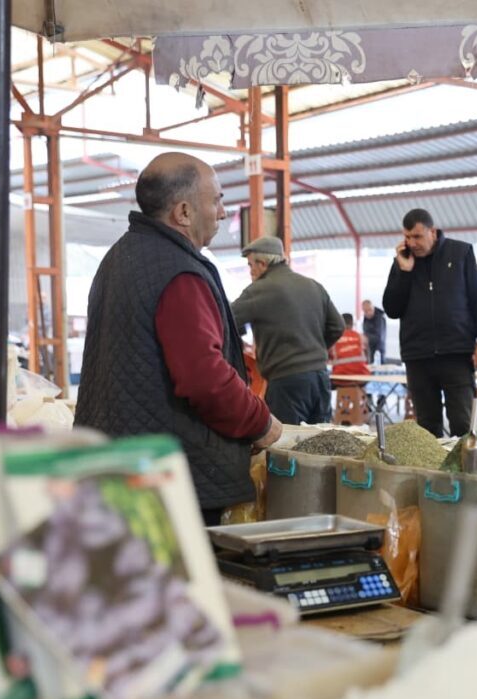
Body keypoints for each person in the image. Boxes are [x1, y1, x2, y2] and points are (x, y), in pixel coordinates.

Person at [74, 152, 281, 525]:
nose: (222, 212)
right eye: (216, 200)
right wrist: (261, 423)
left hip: (120, 467)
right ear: (184, 212)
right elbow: (205, 380)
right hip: (175, 479)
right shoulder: (180, 274)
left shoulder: (118, 257)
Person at [382, 209, 477, 437]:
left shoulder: (460, 253)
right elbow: (392, 310)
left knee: (463, 423)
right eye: (407, 237)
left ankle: (465, 461)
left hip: (456, 353)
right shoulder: (403, 262)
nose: (412, 243)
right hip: (418, 356)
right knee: (427, 427)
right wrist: (404, 273)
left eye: (417, 236)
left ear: (432, 232)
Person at [231, 235, 344, 425]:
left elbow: (225, 319)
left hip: (286, 382)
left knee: (287, 440)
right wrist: (312, 349)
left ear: (262, 264)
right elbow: (337, 326)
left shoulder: (259, 290)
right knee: (321, 439)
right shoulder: (313, 286)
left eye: (250, 265)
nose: (250, 271)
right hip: (320, 378)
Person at [330, 313, 370, 381]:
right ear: (352, 324)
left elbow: (327, 359)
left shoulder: (334, 339)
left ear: (340, 323)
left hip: (339, 378)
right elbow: (368, 359)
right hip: (361, 377)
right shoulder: (362, 338)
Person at [361, 299, 386, 364]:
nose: (368, 313)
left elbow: (379, 337)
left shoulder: (379, 318)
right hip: (369, 350)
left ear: (373, 308)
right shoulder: (366, 318)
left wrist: (365, 337)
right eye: (365, 311)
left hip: (378, 351)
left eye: (370, 310)